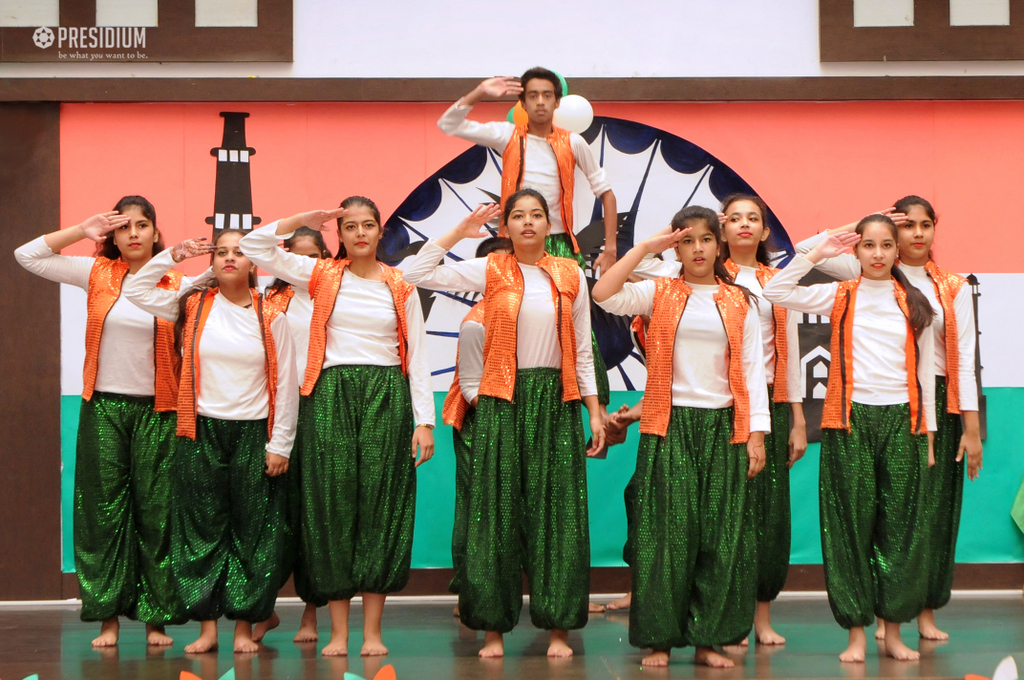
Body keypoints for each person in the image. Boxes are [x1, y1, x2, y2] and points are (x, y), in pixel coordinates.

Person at [403, 189, 605, 658]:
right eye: (518, 216)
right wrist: (459, 232)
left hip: (555, 402)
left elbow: (580, 350)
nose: (528, 222)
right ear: (506, 227)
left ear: (550, 224)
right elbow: (413, 273)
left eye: (537, 215)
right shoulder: (490, 270)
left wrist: (594, 410)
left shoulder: (570, 273)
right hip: (499, 400)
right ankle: (491, 629)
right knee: (493, 516)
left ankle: (558, 628)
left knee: (558, 516)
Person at [240, 196, 435, 658]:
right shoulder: (320, 275)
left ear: (380, 231)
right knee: (333, 509)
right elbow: (254, 245)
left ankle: (372, 633)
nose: (361, 233)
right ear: (340, 235)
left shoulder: (400, 283)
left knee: (380, 508)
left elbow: (420, 355)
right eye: (350, 226)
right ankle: (339, 633)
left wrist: (424, 420)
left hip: (386, 395)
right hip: (329, 397)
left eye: (369, 225)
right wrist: (298, 220)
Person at [795, 197, 982, 641]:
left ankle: (923, 611)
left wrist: (971, 428)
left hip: (935, 400)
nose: (916, 234)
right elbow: (803, 251)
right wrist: (856, 227)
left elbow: (966, 358)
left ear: (936, 230)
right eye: (907, 226)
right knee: (868, 511)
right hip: (877, 398)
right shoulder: (865, 273)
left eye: (925, 225)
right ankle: (878, 615)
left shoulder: (952, 286)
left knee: (925, 514)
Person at [14, 197, 197, 648]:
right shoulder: (95, 273)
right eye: (124, 227)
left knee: (157, 514)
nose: (133, 234)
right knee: (102, 513)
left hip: (160, 410)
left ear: (157, 233)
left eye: (143, 225)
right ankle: (107, 617)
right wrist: (82, 228)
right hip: (105, 408)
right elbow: (27, 255)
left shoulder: (183, 284)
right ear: (113, 237)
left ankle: (157, 618)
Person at [592, 205, 769, 668]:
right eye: (687, 240)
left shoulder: (740, 301)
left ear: (719, 245)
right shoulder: (660, 292)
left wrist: (756, 435)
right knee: (666, 536)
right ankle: (660, 639)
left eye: (706, 239)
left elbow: (752, 373)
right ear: (678, 246)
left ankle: (709, 639)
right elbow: (604, 293)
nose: (697, 249)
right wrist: (646, 249)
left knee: (718, 536)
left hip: (723, 427)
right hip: (667, 426)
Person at [763, 214, 937, 662]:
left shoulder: (915, 303)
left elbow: (926, 377)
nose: (877, 254)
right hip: (850, 423)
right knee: (849, 527)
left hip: (903, 422)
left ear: (898, 252)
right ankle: (856, 635)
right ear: (856, 252)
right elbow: (776, 291)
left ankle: (894, 631)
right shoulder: (839, 293)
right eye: (868, 246)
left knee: (900, 530)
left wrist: (930, 435)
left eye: (885, 246)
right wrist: (820, 249)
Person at [124, 228, 298, 654]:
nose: (229, 259)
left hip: (254, 432)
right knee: (200, 529)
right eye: (221, 252)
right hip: (200, 430)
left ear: (254, 263)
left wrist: (280, 445)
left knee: (251, 532)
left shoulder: (271, 315)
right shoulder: (191, 305)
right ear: (211, 262)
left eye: (239, 252)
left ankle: (243, 627)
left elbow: (287, 384)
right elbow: (136, 289)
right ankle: (207, 628)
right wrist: (174, 256)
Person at [438, 66, 618, 405]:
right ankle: (500, 398)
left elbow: (606, 194)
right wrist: (479, 93)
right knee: (508, 321)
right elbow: (449, 124)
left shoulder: (574, 142)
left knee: (578, 331)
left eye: (547, 96)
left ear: (557, 102)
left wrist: (610, 249)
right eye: (532, 95)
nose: (540, 102)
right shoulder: (507, 135)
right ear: (522, 101)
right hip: (514, 244)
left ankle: (596, 412)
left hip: (561, 243)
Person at [255, 227, 333, 645]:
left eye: (315, 257)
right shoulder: (269, 304)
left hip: (324, 414)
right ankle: (262, 610)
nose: (306, 267)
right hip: (274, 418)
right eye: (297, 258)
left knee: (314, 518)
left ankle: (311, 615)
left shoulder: (337, 298)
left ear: (325, 258)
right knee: (270, 520)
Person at [442, 236, 513, 617]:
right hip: (479, 423)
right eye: (494, 269)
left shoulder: (532, 312)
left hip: (521, 420)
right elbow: (471, 385)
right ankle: (470, 587)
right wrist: (499, 413)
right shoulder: (475, 323)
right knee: (477, 507)